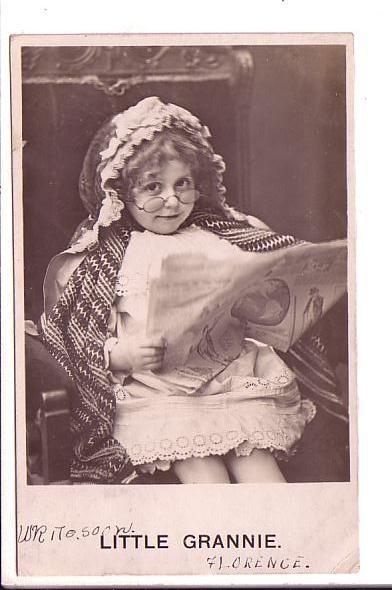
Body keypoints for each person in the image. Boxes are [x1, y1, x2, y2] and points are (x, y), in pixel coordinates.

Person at [39, 96, 345, 484]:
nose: (172, 200)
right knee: (207, 481)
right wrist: (123, 355)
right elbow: (77, 337)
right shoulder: (106, 259)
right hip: (161, 396)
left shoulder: (221, 235)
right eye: (153, 187)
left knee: (265, 481)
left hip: (231, 382)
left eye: (182, 184)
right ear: (119, 192)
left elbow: (262, 287)